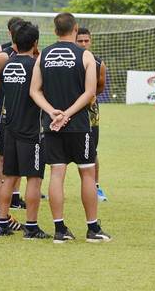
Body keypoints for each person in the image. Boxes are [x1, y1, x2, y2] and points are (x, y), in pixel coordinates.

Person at [30, 12, 111, 243]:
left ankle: (59, 229)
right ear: (75, 29)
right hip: (78, 125)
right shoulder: (85, 55)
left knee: (57, 173)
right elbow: (90, 92)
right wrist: (68, 113)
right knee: (87, 173)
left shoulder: (43, 55)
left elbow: (34, 90)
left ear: (55, 31)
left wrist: (52, 111)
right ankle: (93, 228)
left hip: (52, 125)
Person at [0, 22, 51, 239]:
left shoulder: (8, 64)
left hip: (10, 128)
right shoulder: (36, 66)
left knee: (9, 177)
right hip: (31, 130)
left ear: (14, 43)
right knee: (34, 179)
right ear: (36, 43)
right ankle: (31, 226)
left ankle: (2, 223)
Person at [0, 17, 26, 208]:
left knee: (18, 155)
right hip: (4, 112)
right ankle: (0, 193)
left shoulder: (30, 54)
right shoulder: (3, 54)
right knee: (3, 156)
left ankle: (14, 195)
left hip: (21, 113)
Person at [75, 27, 108, 201]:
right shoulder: (69, 59)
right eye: (80, 40)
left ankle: (96, 187)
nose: (83, 44)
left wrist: (89, 97)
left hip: (91, 114)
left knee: (92, 150)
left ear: (91, 41)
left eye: (86, 40)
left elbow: (100, 86)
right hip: (69, 112)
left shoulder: (98, 63)